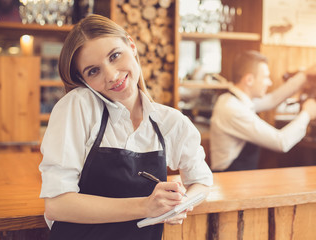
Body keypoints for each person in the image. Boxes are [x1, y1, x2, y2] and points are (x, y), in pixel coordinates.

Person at [39, 14, 213, 240]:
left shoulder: (171, 122)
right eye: (93, 71)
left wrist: (177, 205)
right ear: (84, 81)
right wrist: (146, 206)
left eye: (114, 56)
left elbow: (202, 182)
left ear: (131, 46)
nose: (111, 76)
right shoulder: (78, 105)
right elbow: (58, 205)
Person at [210, 50, 316, 172]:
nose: (270, 82)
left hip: (238, 178)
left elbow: (272, 99)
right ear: (249, 80)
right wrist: (306, 114)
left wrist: (304, 75)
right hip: (229, 180)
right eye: (266, 77)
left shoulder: (232, 99)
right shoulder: (233, 109)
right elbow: (281, 142)